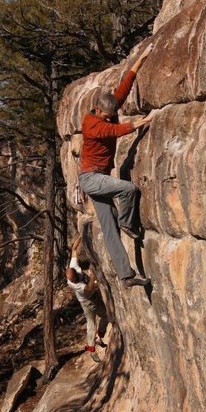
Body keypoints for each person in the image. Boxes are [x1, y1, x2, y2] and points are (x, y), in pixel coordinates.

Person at [78, 43, 154, 287]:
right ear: (97, 110)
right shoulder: (92, 124)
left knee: (109, 229)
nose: (110, 117)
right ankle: (127, 222)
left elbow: (124, 87)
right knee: (128, 189)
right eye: (106, 115)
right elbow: (116, 130)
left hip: (98, 177)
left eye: (112, 114)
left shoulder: (107, 109)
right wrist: (143, 122)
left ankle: (127, 276)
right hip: (91, 178)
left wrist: (140, 58)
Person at [66, 236, 108, 363]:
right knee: (91, 324)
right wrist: (92, 274)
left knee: (106, 315)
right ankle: (91, 350)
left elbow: (74, 248)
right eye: (72, 280)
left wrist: (81, 235)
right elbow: (88, 289)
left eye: (74, 278)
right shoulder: (74, 284)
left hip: (93, 297)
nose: (74, 280)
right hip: (87, 302)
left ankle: (99, 337)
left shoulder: (73, 266)